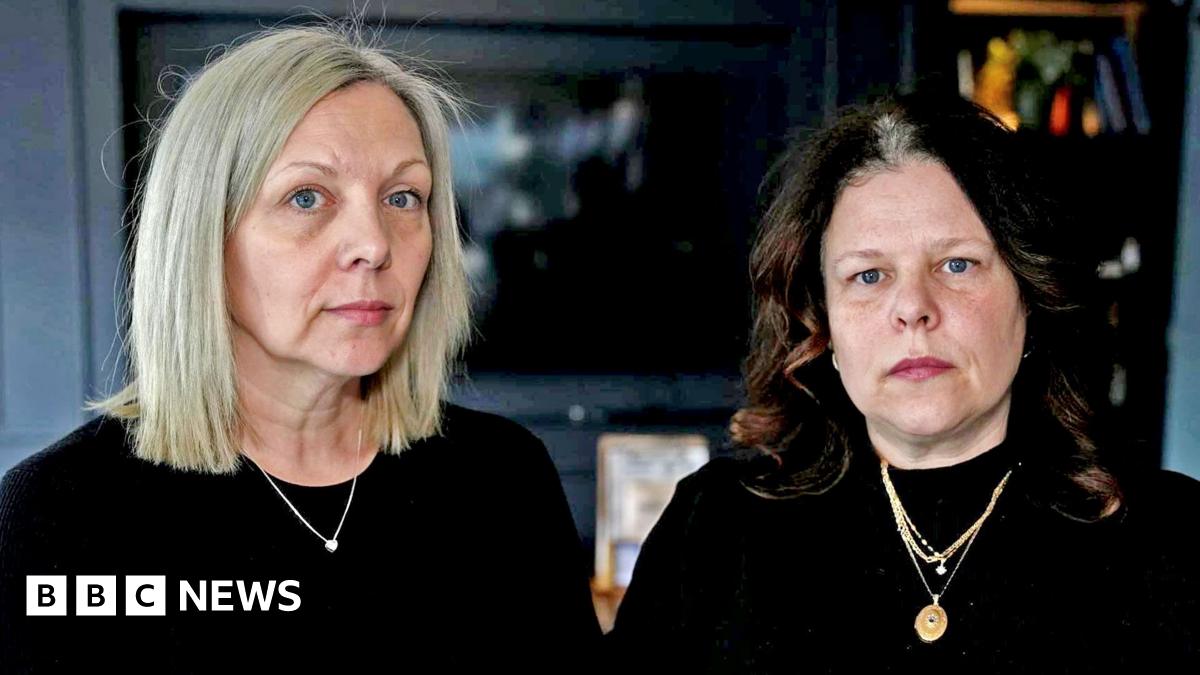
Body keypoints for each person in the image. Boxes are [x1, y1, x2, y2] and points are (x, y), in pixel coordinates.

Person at [0, 23, 600, 672]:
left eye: (404, 196)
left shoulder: (504, 478)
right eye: (306, 196)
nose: (374, 243)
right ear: (204, 234)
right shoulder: (58, 515)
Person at [606, 91, 1200, 671]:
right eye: (868, 275)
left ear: (1032, 297)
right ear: (824, 325)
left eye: (957, 264)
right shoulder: (713, 527)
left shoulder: (1173, 539)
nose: (912, 307)